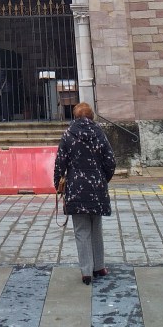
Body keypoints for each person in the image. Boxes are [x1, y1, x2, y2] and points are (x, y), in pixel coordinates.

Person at [53, 101, 115, 285]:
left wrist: (58, 184)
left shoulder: (68, 134)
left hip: (76, 187)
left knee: (81, 230)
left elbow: (60, 162)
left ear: (75, 116)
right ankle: (99, 267)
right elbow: (110, 161)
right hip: (97, 187)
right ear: (91, 116)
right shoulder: (99, 133)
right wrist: (103, 179)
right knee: (96, 227)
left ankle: (86, 272)